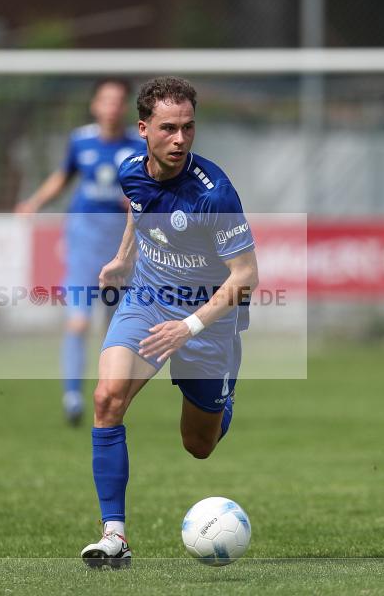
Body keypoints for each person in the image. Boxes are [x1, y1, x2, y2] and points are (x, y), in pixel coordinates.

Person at [80, 76, 259, 568]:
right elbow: (141, 212)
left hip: (208, 322)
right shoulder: (130, 170)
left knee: (198, 446)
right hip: (147, 302)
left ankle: (223, 393)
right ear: (143, 129)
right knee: (106, 397)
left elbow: (245, 276)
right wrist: (122, 260)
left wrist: (190, 328)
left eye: (188, 128)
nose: (180, 139)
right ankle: (114, 535)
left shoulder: (215, 193)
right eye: (168, 129)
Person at [16, 79, 145, 425]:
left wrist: (139, 199)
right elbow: (63, 176)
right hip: (83, 241)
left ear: (125, 107)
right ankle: (72, 396)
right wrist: (34, 202)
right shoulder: (80, 140)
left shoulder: (139, 145)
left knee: (112, 328)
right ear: (95, 105)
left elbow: (153, 187)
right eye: (106, 100)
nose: (112, 107)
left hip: (121, 246)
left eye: (119, 101)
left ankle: (106, 396)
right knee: (77, 321)